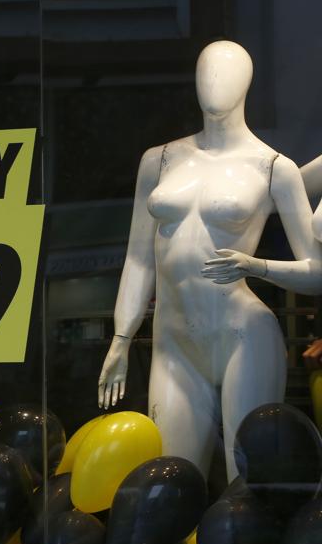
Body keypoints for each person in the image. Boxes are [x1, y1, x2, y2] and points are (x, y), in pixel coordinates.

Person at [97, 40, 322, 481]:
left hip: (243, 335)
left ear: (247, 84)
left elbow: (317, 273)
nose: (214, 83)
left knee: (248, 481)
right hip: (173, 342)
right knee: (172, 483)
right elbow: (138, 259)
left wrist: (255, 266)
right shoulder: (159, 160)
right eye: (206, 72)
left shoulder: (274, 167)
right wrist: (121, 338)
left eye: (225, 73)